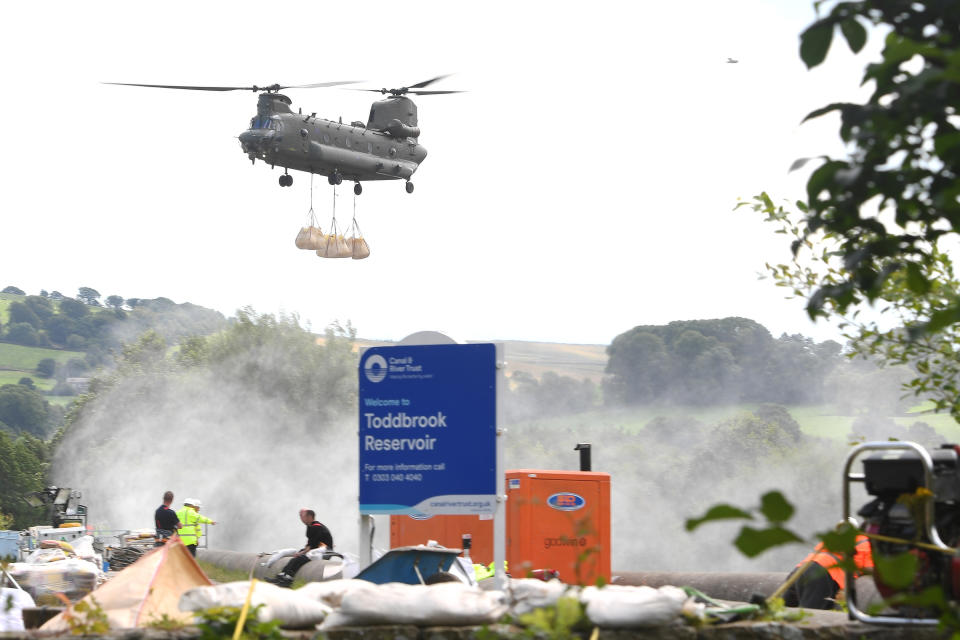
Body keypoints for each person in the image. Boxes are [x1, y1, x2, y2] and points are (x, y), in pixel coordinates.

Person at [782, 534, 873, 609]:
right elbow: (870, 569)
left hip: (801, 569)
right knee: (811, 616)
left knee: (783, 611)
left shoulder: (839, 538)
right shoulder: (867, 543)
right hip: (819, 574)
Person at [266, 509, 333, 587]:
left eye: (302, 516)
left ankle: (288, 579)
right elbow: (310, 545)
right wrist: (301, 552)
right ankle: (281, 577)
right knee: (294, 559)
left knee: (299, 558)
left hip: (324, 553)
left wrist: (300, 553)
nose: (301, 518)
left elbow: (311, 546)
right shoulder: (310, 527)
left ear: (309, 517)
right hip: (316, 551)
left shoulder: (316, 527)